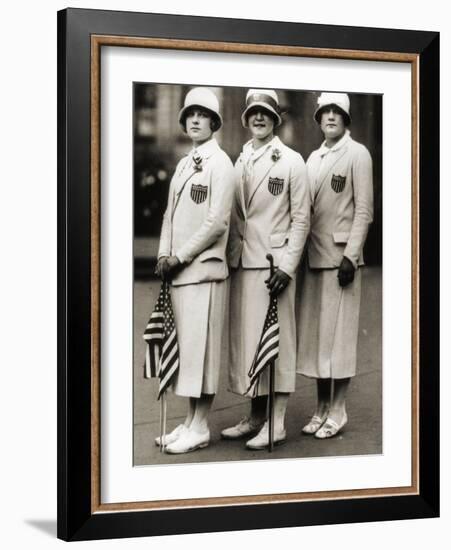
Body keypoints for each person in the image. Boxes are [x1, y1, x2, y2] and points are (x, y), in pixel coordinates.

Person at [221, 89, 310, 450]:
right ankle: (256, 416)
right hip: (244, 261)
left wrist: (288, 267)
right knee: (249, 343)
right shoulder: (240, 160)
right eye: (253, 113)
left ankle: (277, 422)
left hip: (274, 266)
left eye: (266, 113)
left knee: (278, 342)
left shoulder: (291, 161)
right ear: (246, 118)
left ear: (276, 119)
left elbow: (302, 219)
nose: (259, 118)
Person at [154, 87, 235, 454]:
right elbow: (170, 215)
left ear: (215, 122)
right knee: (187, 349)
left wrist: (180, 256)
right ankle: (189, 421)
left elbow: (217, 222)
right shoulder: (185, 163)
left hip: (203, 269)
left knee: (201, 351)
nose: (196, 120)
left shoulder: (221, 163)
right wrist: (162, 254)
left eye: (203, 115)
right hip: (179, 271)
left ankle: (201, 425)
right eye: (191, 115)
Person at [297, 92, 373, 439]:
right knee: (317, 339)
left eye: (336, 111)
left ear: (346, 118)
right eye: (324, 111)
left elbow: (363, 210)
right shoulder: (313, 158)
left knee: (338, 338)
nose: (330, 116)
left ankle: (338, 409)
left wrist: (351, 255)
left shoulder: (357, 154)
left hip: (341, 260)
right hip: (313, 258)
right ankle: (321, 407)